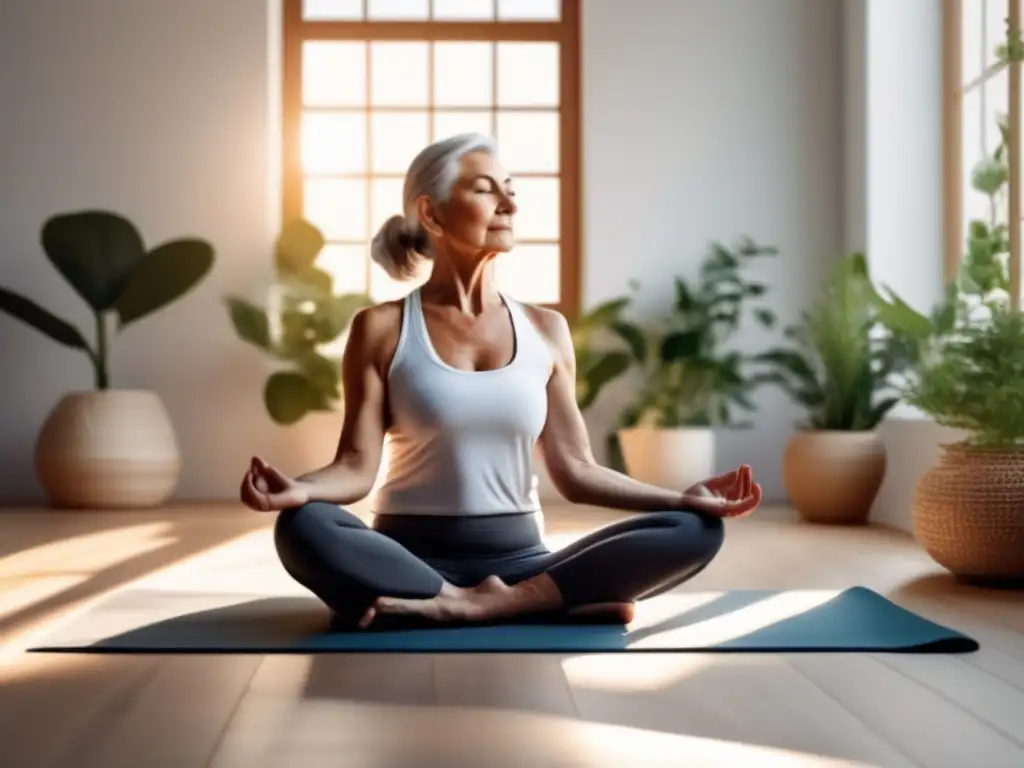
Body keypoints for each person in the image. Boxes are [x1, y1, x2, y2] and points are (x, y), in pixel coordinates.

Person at [240, 133, 762, 631]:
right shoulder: (381, 328)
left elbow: (577, 470)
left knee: (694, 530)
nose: (509, 206)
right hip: (407, 558)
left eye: (511, 192)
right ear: (430, 213)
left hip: (522, 561)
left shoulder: (546, 329)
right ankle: (515, 602)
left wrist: (679, 500)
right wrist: (299, 490)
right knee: (303, 527)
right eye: (486, 190)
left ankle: (491, 604)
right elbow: (356, 467)